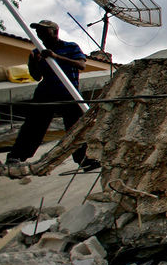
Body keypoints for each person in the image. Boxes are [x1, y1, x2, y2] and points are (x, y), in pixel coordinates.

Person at [6, 20, 98, 170]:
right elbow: (36, 77)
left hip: (69, 93)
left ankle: (85, 159)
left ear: (55, 31)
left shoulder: (70, 47)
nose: (39, 33)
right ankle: (16, 157)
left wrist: (55, 57)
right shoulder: (37, 52)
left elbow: (81, 65)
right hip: (46, 93)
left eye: (44, 30)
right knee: (34, 126)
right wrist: (34, 63)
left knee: (76, 128)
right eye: (38, 31)